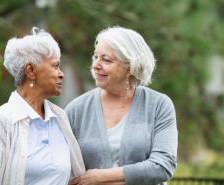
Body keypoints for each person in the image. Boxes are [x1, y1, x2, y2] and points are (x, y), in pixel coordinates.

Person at [65, 26, 178, 185]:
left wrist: (99, 178)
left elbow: (163, 166)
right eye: (95, 57)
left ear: (130, 67)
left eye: (106, 59)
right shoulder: (76, 110)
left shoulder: (159, 105)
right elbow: (62, 170)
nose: (96, 65)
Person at [0, 27, 85, 185]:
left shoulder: (60, 118)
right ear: (31, 71)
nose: (61, 74)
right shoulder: (2, 121)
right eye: (55, 66)